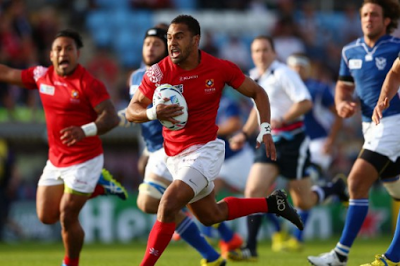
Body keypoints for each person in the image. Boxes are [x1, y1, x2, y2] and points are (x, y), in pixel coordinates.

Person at [125, 15, 303, 266]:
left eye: (179, 37)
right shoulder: (158, 72)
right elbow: (132, 110)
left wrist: (265, 129)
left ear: (196, 40)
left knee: (168, 203)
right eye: (169, 38)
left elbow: (258, 92)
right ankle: (273, 203)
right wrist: (153, 113)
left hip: (205, 151)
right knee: (211, 215)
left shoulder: (219, 68)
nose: (172, 43)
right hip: (174, 155)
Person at [0, 29, 126, 266]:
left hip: (85, 159)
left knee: (68, 215)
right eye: (58, 49)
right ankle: (98, 184)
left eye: (69, 49)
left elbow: (111, 118)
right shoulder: (41, 76)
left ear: (77, 54)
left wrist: (84, 130)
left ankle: (70, 263)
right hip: (56, 160)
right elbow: (6, 72)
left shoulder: (89, 83)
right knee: (46, 216)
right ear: (51, 55)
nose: (63, 53)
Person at [119, 26, 238, 266]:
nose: (151, 47)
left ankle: (214, 248)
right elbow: (138, 113)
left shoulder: (171, 73)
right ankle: (221, 244)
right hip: (154, 149)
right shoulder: (135, 77)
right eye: (147, 43)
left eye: (157, 43)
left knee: (151, 201)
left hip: (173, 146)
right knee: (196, 207)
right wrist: (145, 148)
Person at [227, 35, 347, 262]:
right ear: (251, 54)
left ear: (274, 53)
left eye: (264, 50)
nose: (260, 55)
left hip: (293, 144)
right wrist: (244, 133)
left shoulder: (284, 73)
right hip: (269, 142)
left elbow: (305, 102)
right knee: (252, 192)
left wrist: (282, 118)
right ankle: (250, 248)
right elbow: (257, 111)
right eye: (256, 51)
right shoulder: (254, 75)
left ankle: (334, 188)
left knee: (304, 202)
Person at [307, 1, 400, 266]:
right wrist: (340, 104)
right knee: (398, 190)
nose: (369, 18)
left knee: (356, 181)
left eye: (375, 14)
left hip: (393, 122)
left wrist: (385, 101)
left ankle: (340, 255)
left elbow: (395, 76)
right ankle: (395, 257)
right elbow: (343, 88)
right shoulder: (350, 51)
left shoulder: (396, 46)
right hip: (368, 126)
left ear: (386, 21)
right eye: (365, 14)